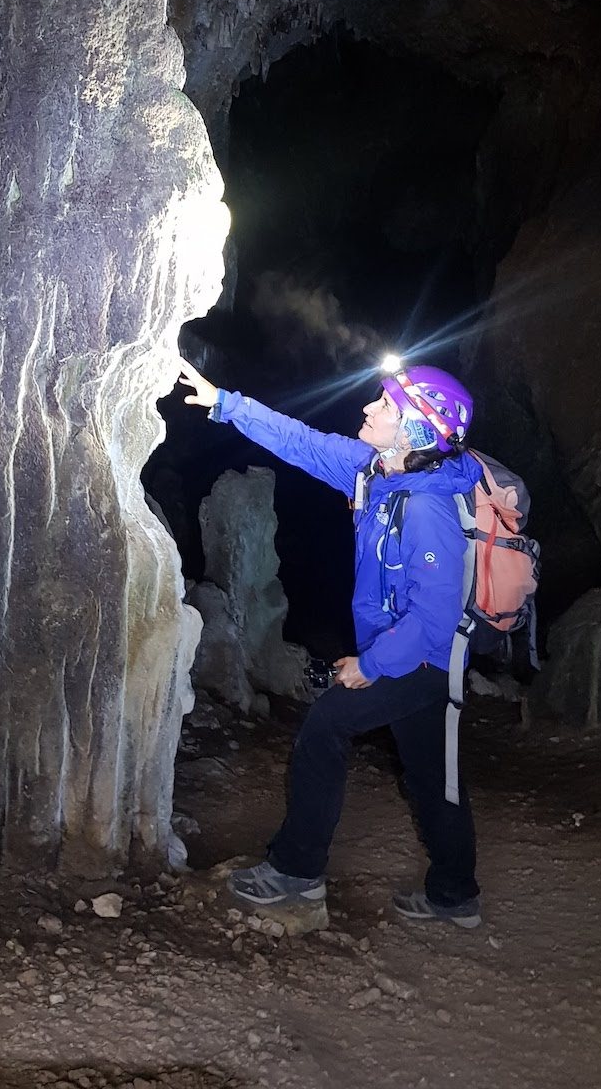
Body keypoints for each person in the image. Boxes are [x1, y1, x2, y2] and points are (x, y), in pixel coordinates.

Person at [177, 355, 484, 929]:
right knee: (430, 773)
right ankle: (455, 893)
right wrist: (225, 404)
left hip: (423, 659)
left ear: (416, 430)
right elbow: (302, 443)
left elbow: (434, 620)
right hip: (407, 652)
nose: (368, 408)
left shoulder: (428, 510)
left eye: (385, 406)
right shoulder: (376, 473)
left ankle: (295, 872)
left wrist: (370, 664)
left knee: (325, 730)